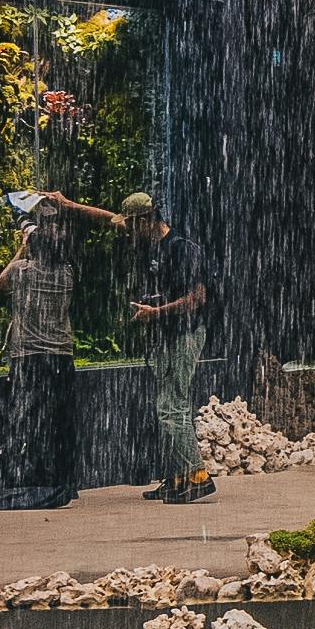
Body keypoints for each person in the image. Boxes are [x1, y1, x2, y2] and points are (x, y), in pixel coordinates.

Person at [0, 196, 84, 509]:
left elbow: (1, 280)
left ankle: (26, 477)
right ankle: (62, 481)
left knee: (27, 418)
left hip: (30, 357)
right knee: (60, 420)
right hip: (62, 356)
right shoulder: (66, 275)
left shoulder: (24, 271)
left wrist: (23, 243)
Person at [125, 195, 213, 500]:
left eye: (131, 225)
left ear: (146, 220)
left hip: (185, 334)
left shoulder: (182, 249)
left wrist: (157, 312)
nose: (128, 231)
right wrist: (69, 205)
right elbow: (107, 218)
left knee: (173, 407)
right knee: (167, 408)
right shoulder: (154, 248)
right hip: (165, 338)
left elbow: (198, 297)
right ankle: (176, 478)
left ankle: (197, 476)